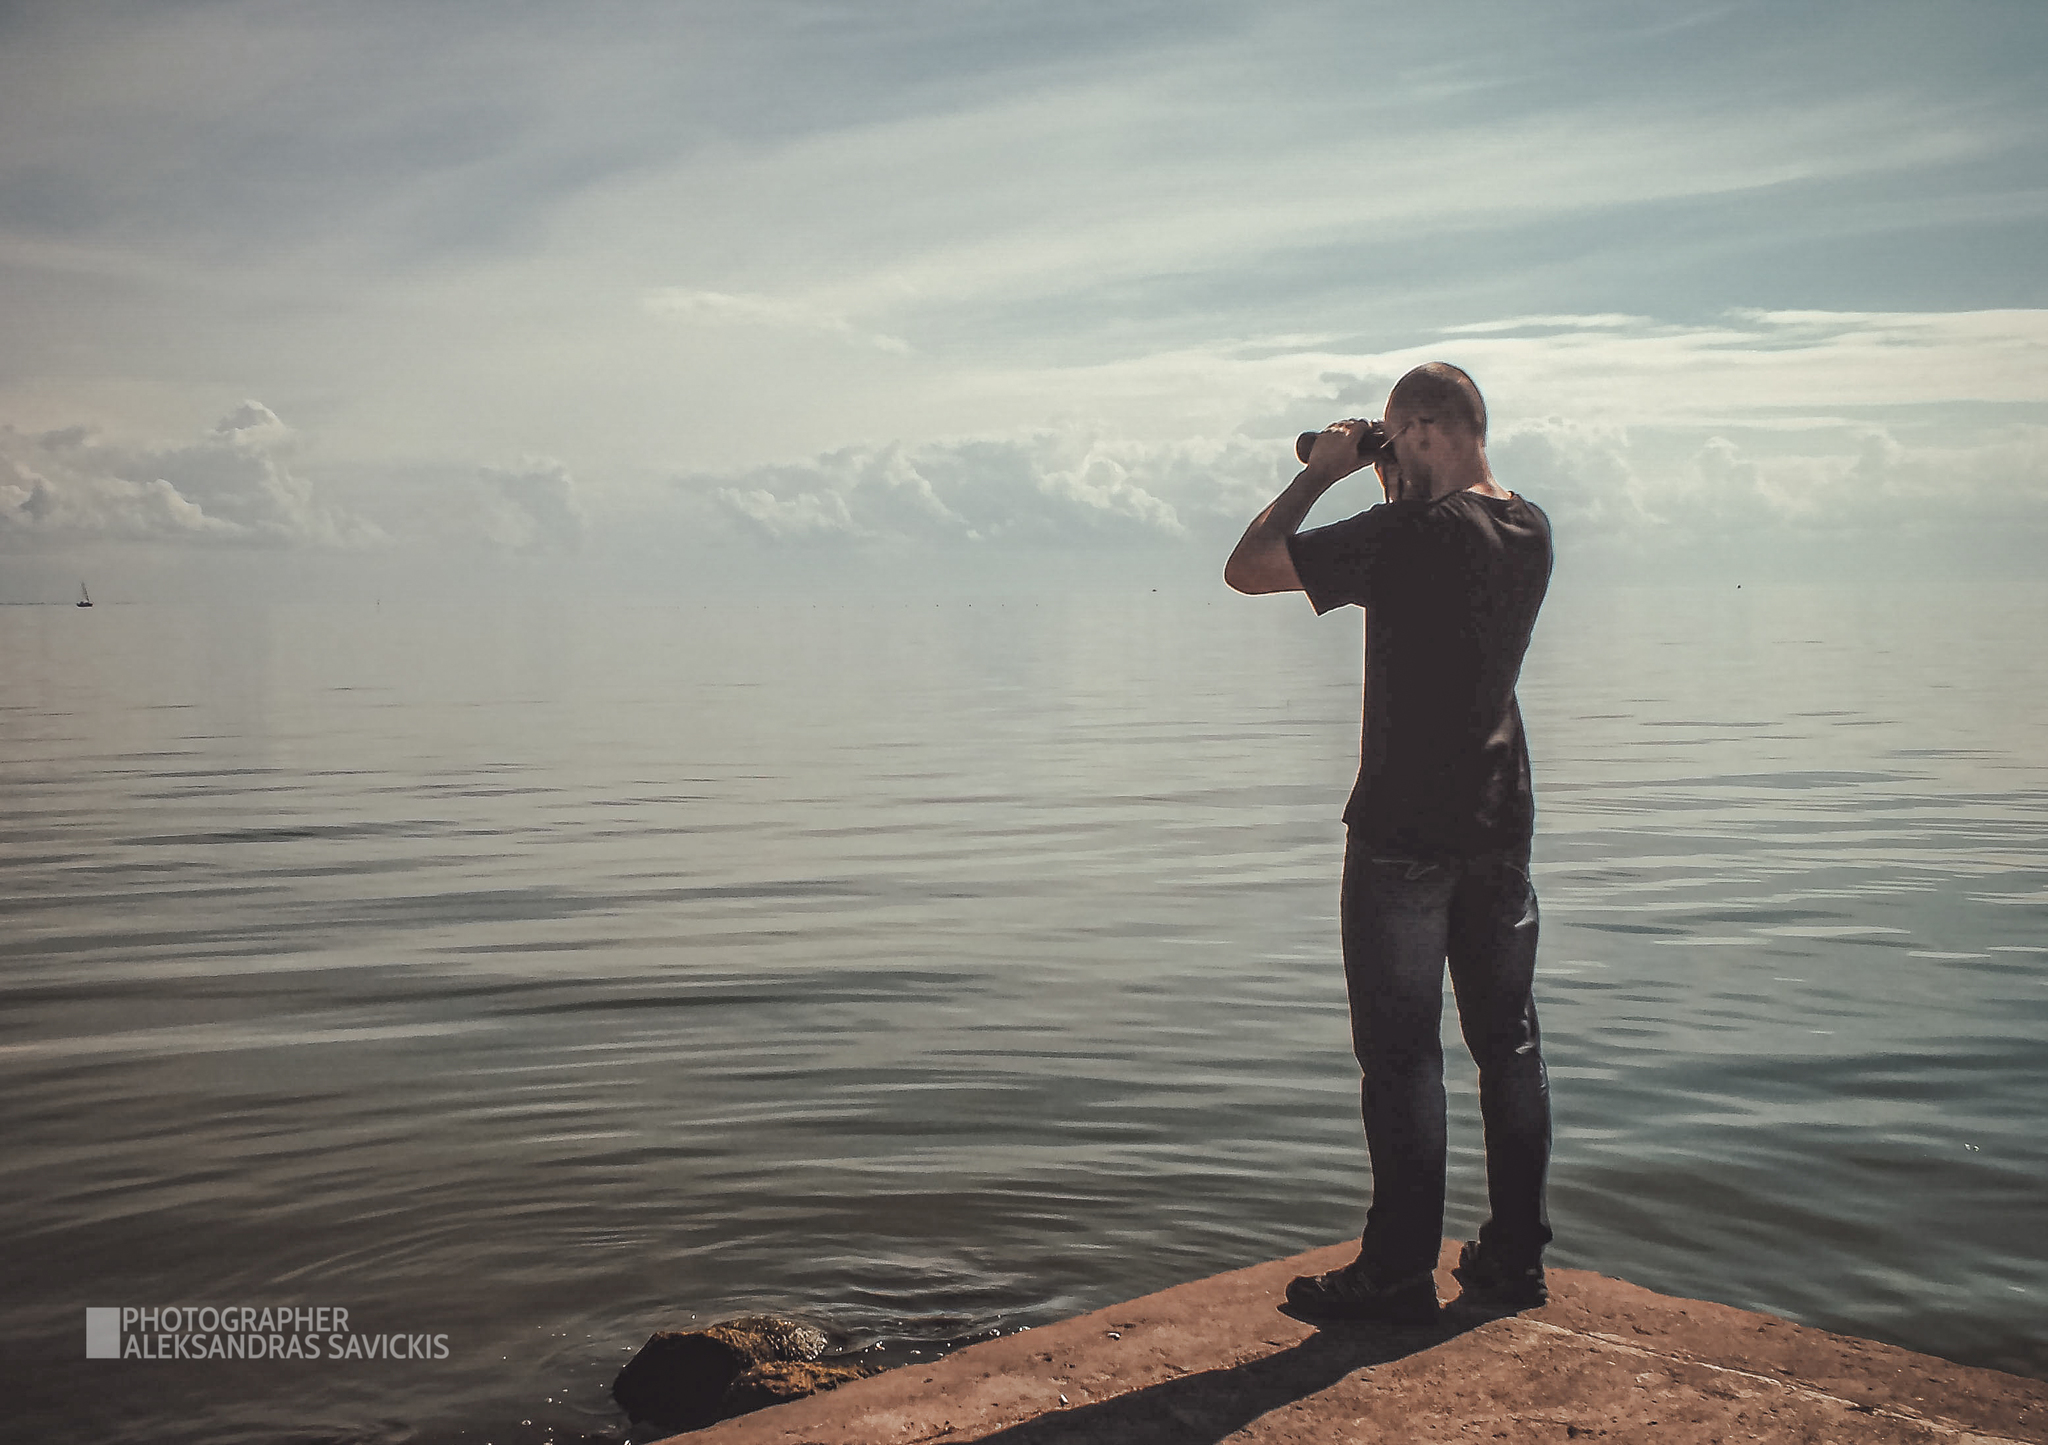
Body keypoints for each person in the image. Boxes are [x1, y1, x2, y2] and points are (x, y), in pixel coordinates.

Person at [1224, 362, 1554, 1326]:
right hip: (1500, 828)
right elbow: (1428, 544)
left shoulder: (1407, 538)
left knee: (1404, 1057)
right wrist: (1390, 469)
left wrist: (1323, 470)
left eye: (1395, 441)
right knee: (1510, 1045)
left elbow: (1250, 566)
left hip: (1405, 834)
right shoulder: (1528, 528)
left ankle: (1398, 1270)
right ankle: (1515, 1259)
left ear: (1417, 431)